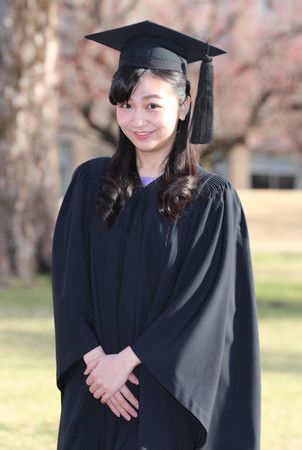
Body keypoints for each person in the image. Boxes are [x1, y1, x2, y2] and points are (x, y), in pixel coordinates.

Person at [51, 20, 261, 450]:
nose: (136, 120)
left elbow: (204, 304)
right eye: (125, 105)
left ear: (184, 106)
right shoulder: (90, 184)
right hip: (95, 391)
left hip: (164, 395)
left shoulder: (211, 199)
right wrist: (97, 366)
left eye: (152, 105)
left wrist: (124, 363)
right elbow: (69, 287)